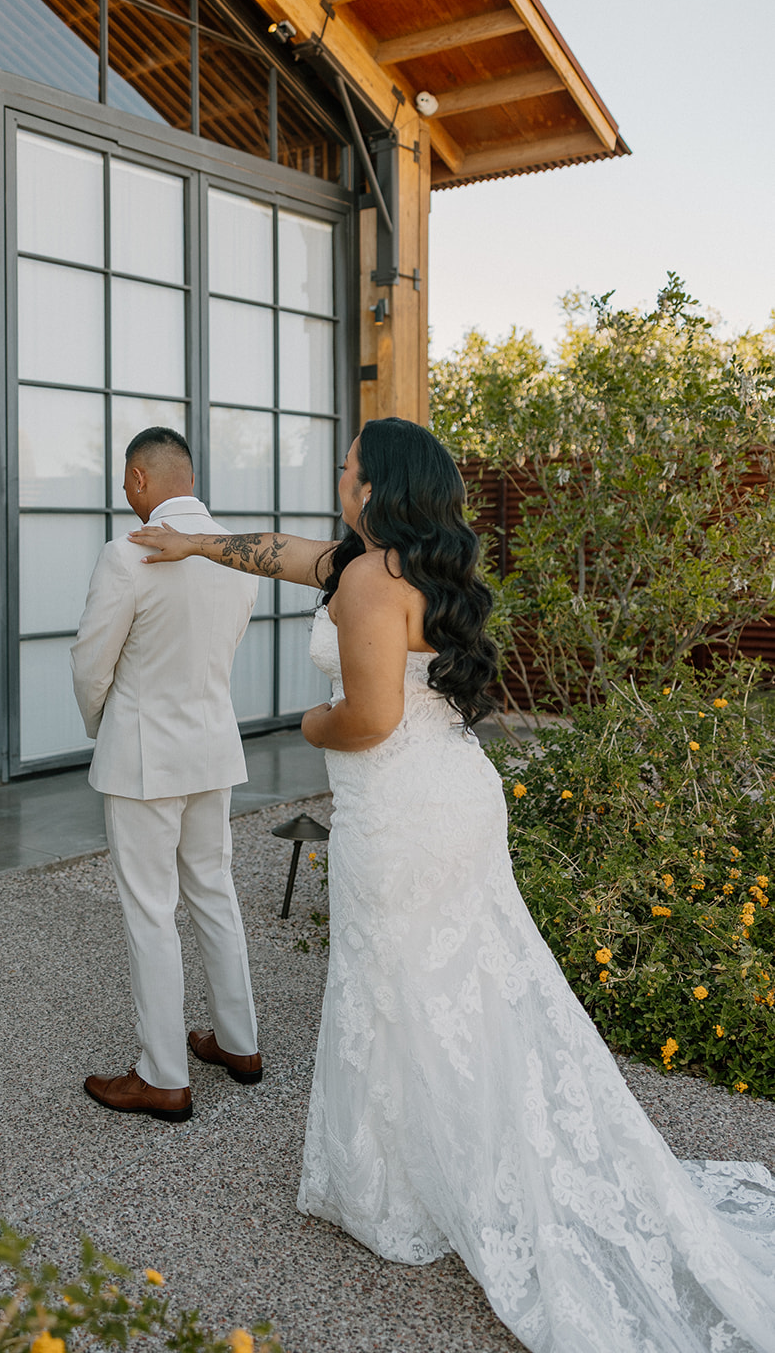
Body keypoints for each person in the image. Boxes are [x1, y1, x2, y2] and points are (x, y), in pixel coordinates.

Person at [129, 417, 775, 1352]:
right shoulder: (408, 568)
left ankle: (399, 1186)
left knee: (393, 986)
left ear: (373, 487)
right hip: (452, 797)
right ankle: (439, 1154)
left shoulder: (366, 580)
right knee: (454, 981)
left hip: (401, 815)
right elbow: (285, 553)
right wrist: (197, 544)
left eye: (347, 467)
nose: (338, 477)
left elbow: (368, 718)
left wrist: (303, 725)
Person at [71, 426, 263, 1125]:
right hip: (212, 748)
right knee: (213, 890)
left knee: (151, 910)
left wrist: (104, 723)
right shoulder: (235, 552)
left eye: (126, 481)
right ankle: (238, 1044)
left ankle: (163, 1076)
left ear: (140, 479)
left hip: (144, 757)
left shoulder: (126, 553)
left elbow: (91, 661)